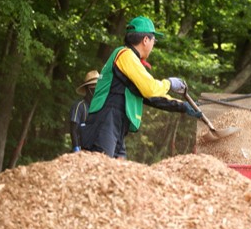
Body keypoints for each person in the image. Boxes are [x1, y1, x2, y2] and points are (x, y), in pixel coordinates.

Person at [80, 16, 203, 159]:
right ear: (146, 40)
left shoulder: (130, 62)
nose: (153, 45)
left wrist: (183, 106)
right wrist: (169, 83)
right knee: (101, 170)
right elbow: (150, 89)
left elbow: (150, 96)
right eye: (153, 41)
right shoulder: (125, 55)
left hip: (115, 123)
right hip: (105, 121)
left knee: (118, 174)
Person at [69, 70, 99, 152]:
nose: (96, 90)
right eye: (93, 87)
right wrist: (76, 148)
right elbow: (73, 129)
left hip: (96, 150)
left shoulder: (100, 107)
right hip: (81, 149)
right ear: (87, 88)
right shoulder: (79, 106)